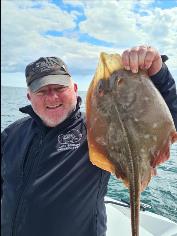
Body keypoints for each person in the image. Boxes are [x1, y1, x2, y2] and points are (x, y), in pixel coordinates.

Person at [1, 45, 177, 236]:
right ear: (29, 97)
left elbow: (168, 119)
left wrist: (158, 72)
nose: (52, 97)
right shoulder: (12, 133)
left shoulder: (93, 130)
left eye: (60, 88)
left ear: (75, 89)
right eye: (41, 91)